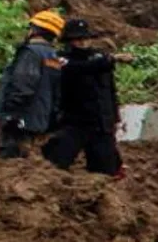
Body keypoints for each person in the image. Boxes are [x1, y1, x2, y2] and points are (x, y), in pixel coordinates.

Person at [41, 19, 133, 179]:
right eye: (78, 39)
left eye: (85, 38)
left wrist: (113, 116)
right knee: (53, 164)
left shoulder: (100, 58)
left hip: (100, 123)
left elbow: (109, 90)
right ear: (69, 41)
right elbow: (77, 68)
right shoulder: (58, 59)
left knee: (105, 171)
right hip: (73, 122)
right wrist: (112, 60)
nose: (83, 43)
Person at [0, 9, 66, 159]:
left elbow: (23, 84)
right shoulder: (54, 57)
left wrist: (12, 115)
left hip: (21, 118)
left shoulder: (30, 53)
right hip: (39, 119)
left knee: (11, 159)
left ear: (34, 30)